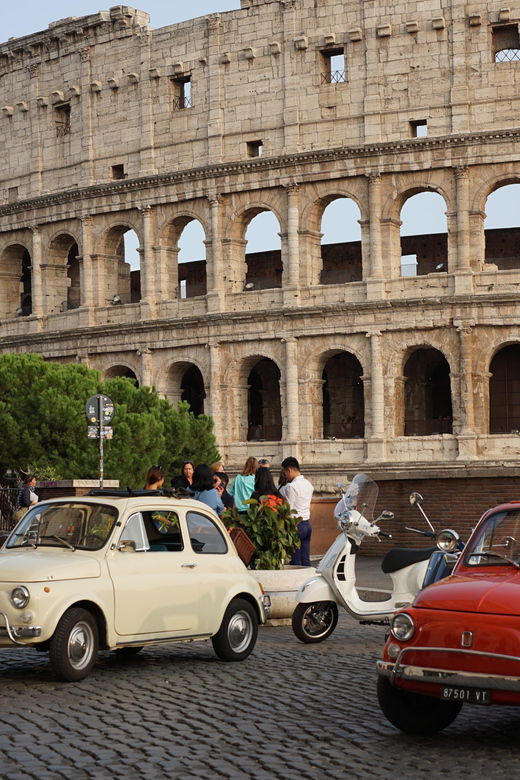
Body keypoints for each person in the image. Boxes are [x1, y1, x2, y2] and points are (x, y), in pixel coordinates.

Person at [279, 456, 314, 567]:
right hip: (307, 524)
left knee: (296, 562)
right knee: (306, 560)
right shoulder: (308, 484)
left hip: (296, 525)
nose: (285, 475)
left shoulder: (292, 487)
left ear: (289, 470)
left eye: (285, 473)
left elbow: (288, 509)